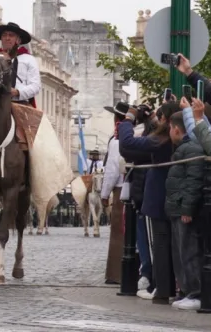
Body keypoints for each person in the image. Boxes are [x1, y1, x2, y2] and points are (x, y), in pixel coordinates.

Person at [119, 101, 177, 301]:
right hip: (170, 197)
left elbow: (127, 144)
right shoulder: (173, 136)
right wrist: (152, 118)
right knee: (169, 245)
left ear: (167, 121)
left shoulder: (163, 139)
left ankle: (160, 288)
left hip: (157, 198)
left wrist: (128, 119)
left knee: (157, 245)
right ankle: (166, 287)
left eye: (160, 117)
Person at [166, 99, 205, 310]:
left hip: (183, 208)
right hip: (177, 206)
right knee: (181, 251)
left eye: (171, 128)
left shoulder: (191, 149)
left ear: (176, 129)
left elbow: (193, 180)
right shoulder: (185, 147)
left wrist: (187, 208)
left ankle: (195, 292)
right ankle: (187, 290)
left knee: (188, 251)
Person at [100, 104, 127, 285]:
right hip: (131, 187)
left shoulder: (116, 140)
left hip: (119, 190)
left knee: (118, 232)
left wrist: (104, 193)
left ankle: (115, 274)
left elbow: (112, 170)